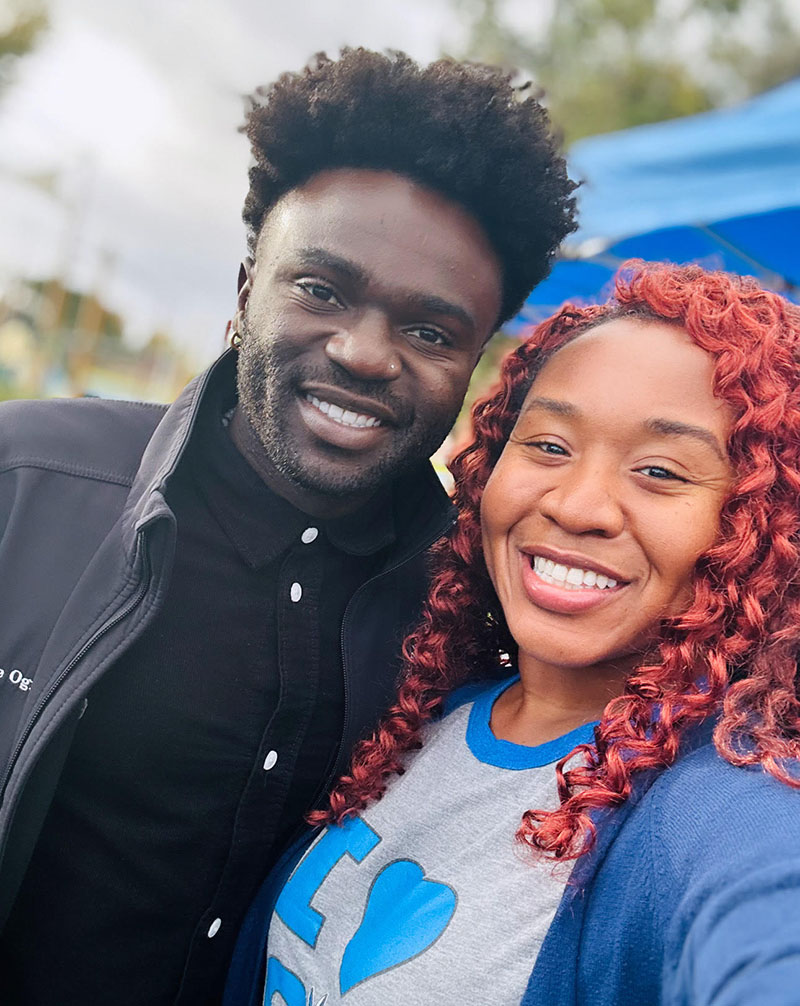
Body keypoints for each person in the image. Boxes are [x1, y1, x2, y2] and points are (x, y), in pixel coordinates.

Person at [0, 49, 577, 1005]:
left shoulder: (485, 613)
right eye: (320, 290)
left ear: (476, 360)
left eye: (431, 332)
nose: (362, 353)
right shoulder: (28, 487)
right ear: (243, 293)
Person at [226, 261, 800, 1006]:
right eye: (550, 446)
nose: (577, 505)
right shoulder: (424, 716)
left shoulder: (728, 806)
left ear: (763, 525)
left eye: (659, 471)